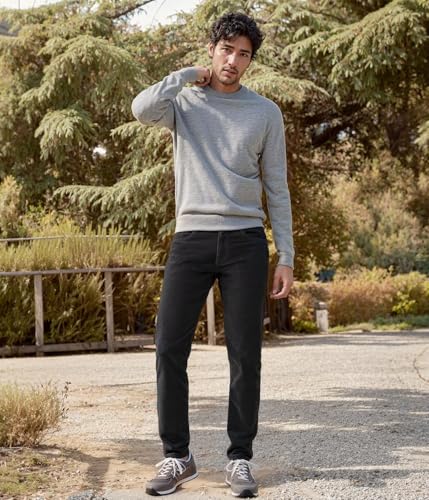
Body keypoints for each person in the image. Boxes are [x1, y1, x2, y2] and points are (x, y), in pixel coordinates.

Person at [131, 11, 294, 498]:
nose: (233, 61)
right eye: (227, 50)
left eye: (244, 54)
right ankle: (177, 457)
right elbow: (141, 108)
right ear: (212, 49)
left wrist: (285, 254)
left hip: (245, 241)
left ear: (250, 60)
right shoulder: (183, 102)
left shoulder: (265, 113)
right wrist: (185, 75)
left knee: (245, 353)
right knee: (168, 346)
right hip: (191, 238)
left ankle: (240, 458)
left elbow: (277, 188)